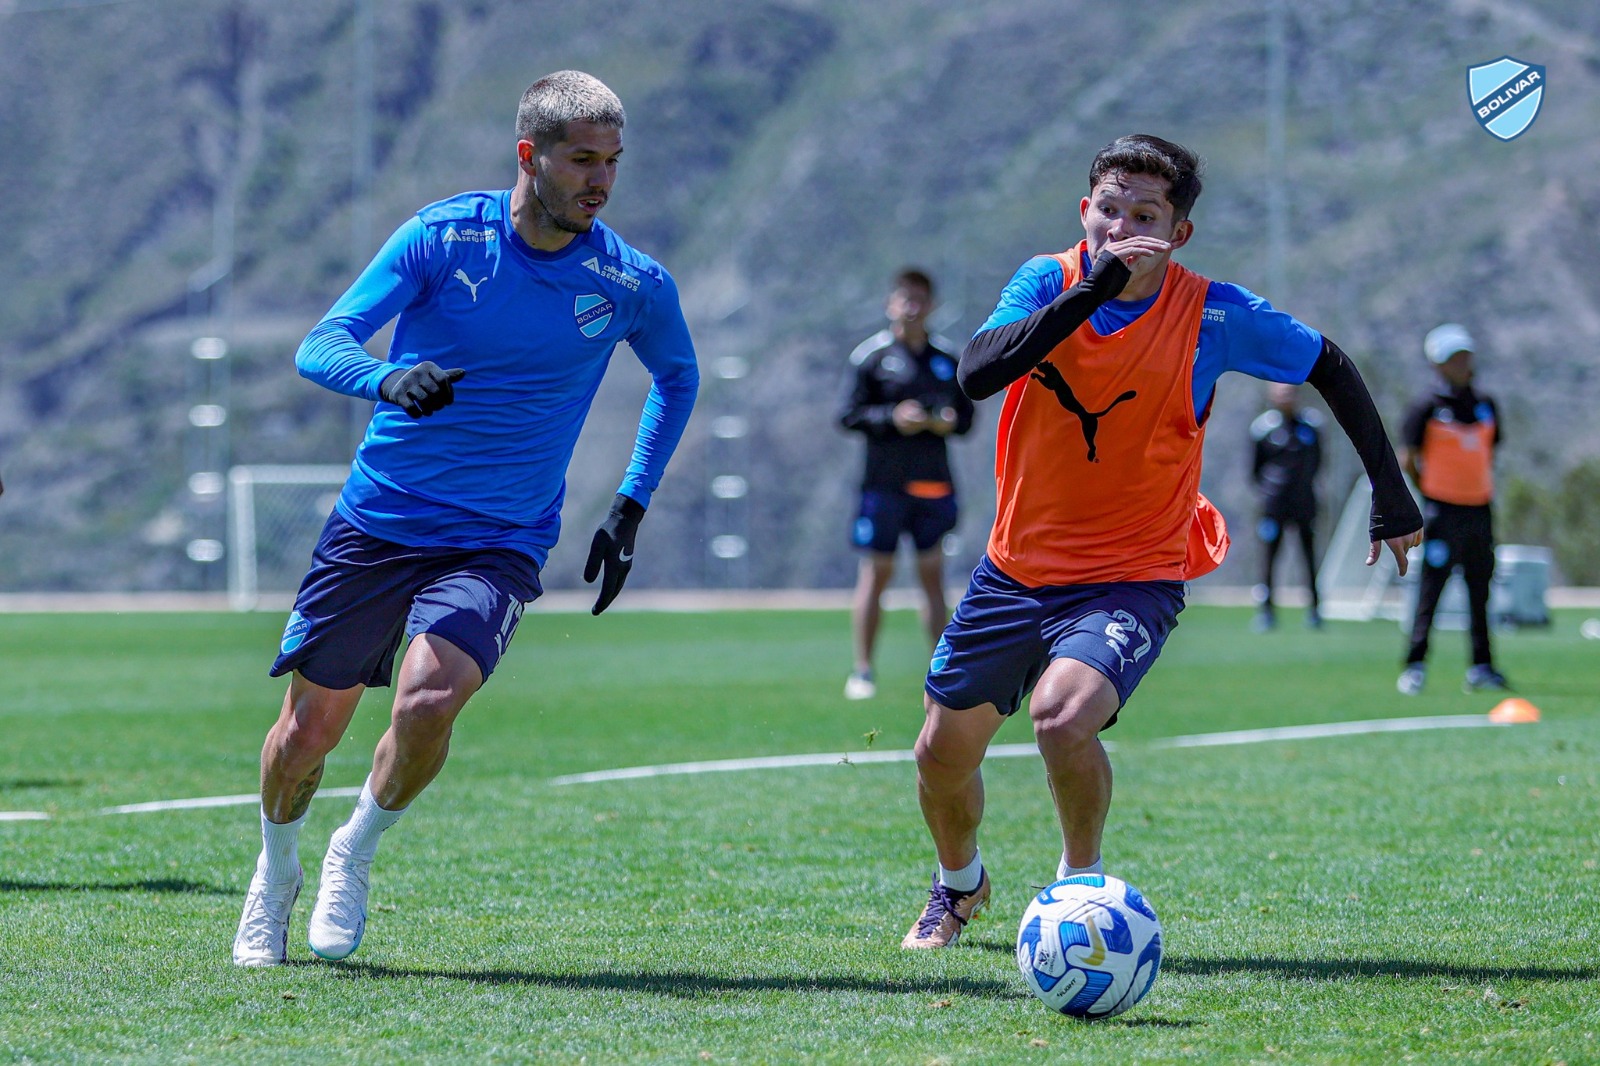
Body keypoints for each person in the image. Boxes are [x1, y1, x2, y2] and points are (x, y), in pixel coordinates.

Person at [900, 134, 1422, 949]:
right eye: (1110, 211)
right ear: (1086, 212)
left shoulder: (1211, 311)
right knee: (939, 755)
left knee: (1061, 718)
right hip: (1015, 571)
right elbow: (977, 374)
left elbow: (1329, 363)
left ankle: (1081, 894)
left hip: (1132, 571)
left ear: (1178, 234)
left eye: (1145, 216)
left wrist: (1392, 493)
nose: (1123, 228)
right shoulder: (1047, 279)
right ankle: (960, 884)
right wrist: (1097, 284)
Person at [232, 71, 699, 967]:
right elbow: (322, 341)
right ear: (530, 156)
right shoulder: (441, 238)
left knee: (430, 699)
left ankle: (353, 852)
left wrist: (631, 501)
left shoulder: (630, 281)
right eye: (582, 160)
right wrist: (384, 379)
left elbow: (678, 378)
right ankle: (275, 870)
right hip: (381, 522)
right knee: (306, 736)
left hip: (499, 540)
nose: (600, 181)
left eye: (613, 161)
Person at [837, 269, 975, 700]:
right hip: (883, 486)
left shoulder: (948, 359)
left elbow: (967, 420)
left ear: (932, 306)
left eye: (920, 299)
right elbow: (848, 415)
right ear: (890, 304)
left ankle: (941, 673)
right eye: (904, 299)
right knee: (876, 573)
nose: (912, 307)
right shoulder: (871, 357)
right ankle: (863, 670)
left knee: (932, 575)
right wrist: (893, 418)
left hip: (933, 485)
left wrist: (944, 422)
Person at [1395, 324, 1506, 695]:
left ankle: (1482, 666)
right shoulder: (1426, 408)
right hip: (1442, 512)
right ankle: (1415, 664)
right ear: (1438, 364)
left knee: (1480, 590)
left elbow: (1490, 451)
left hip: (1480, 510)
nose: (1462, 364)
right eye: (1453, 358)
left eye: (1465, 356)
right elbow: (1408, 457)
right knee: (1432, 591)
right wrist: (1428, 490)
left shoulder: (1486, 404)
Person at [1249, 382, 1323, 631]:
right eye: (1282, 393)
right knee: (1269, 558)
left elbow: (1320, 462)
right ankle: (1266, 612)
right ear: (1273, 396)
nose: (1287, 397)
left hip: (1304, 503)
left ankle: (1315, 610)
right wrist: (1269, 493)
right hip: (1274, 505)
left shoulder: (1311, 426)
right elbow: (1255, 469)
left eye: (1290, 393)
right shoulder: (1262, 428)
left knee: (1308, 557)